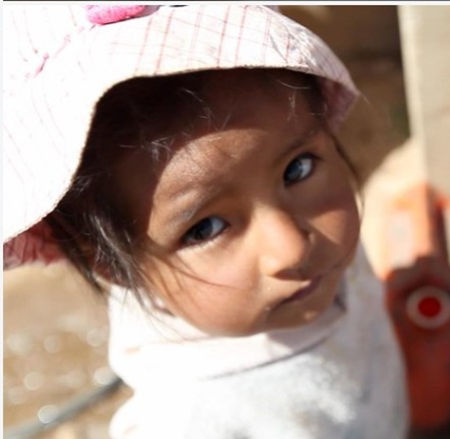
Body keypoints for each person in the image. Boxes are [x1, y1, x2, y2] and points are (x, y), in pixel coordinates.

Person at [3, 5, 408, 438]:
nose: (291, 246)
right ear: (106, 262)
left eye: (298, 169)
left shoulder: (320, 251)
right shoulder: (190, 419)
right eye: (205, 229)